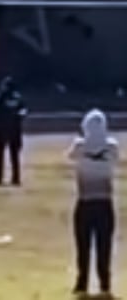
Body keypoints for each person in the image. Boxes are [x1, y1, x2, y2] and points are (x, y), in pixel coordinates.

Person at [68, 109, 119, 296]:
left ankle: (82, 282)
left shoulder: (79, 146)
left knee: (83, 245)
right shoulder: (112, 146)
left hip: (85, 201)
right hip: (105, 202)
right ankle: (105, 283)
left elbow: (70, 156)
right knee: (104, 246)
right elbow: (115, 159)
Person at [0, 76, 28, 186]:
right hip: (11, 129)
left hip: (6, 128)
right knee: (10, 155)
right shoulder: (10, 97)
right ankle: (10, 178)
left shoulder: (4, 96)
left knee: (6, 155)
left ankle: (5, 178)